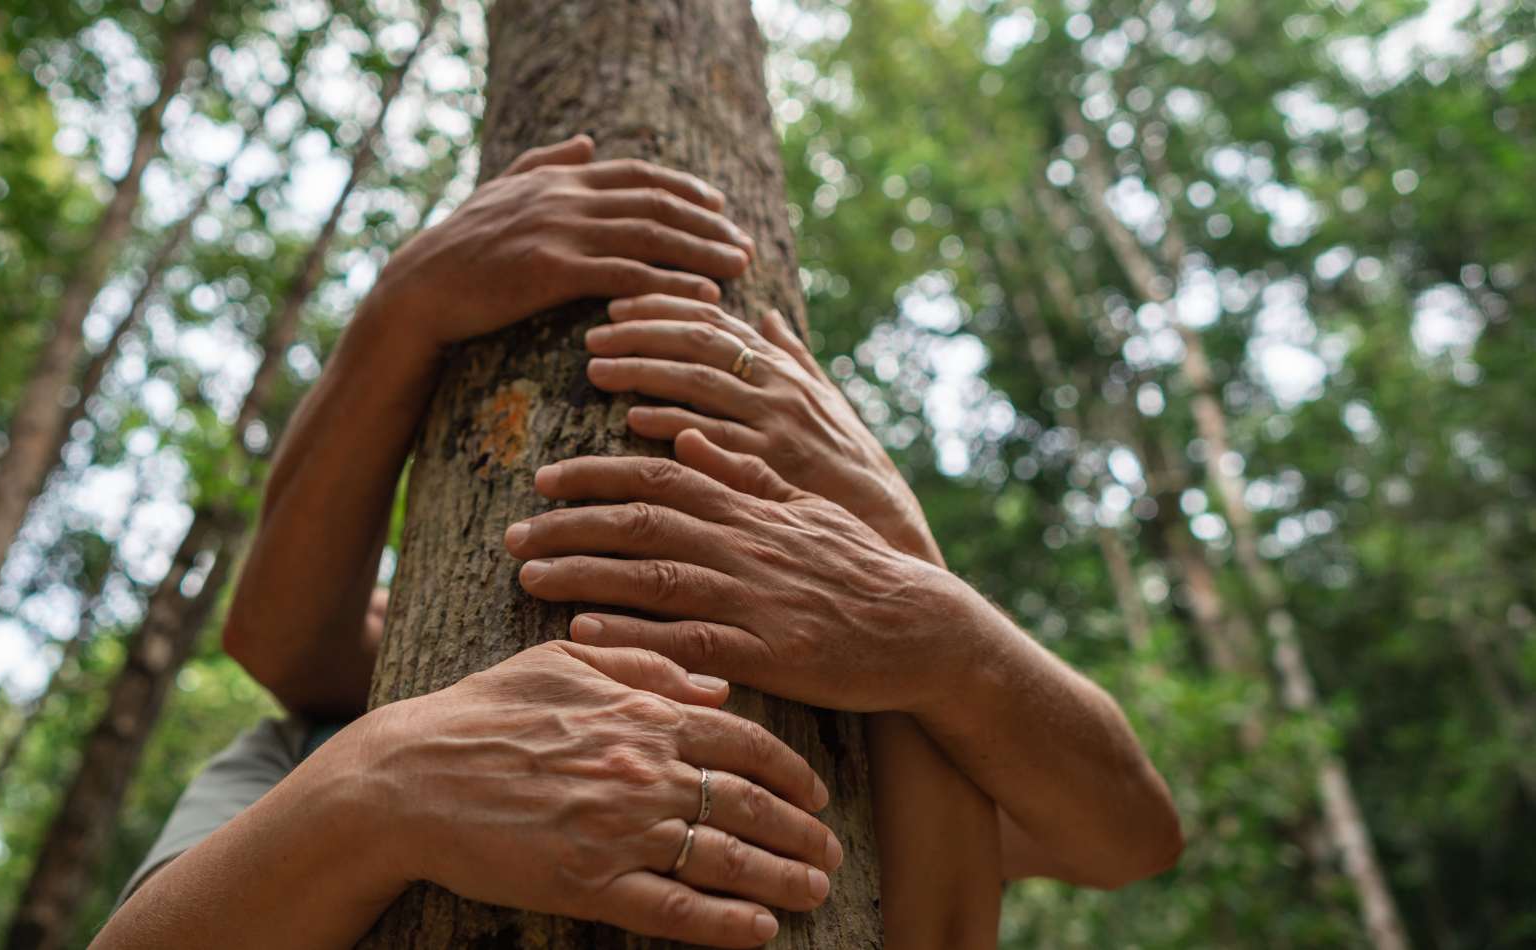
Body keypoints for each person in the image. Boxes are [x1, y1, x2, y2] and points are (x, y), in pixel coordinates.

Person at [94, 136, 1181, 949]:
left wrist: (904, 570)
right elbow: (286, 642)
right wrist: (376, 785)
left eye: (765, 517)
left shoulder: (878, 723)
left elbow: (1127, 834)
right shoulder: (305, 743)